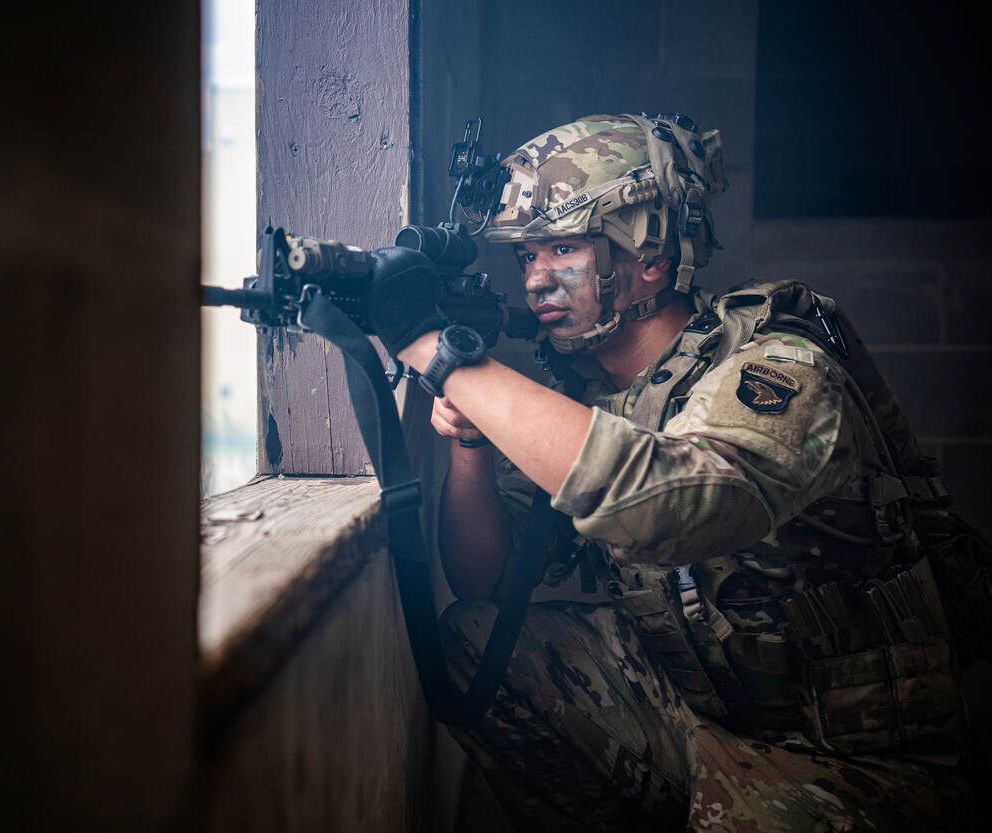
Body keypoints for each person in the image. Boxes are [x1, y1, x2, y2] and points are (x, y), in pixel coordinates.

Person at [367, 114, 987, 831]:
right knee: (476, 646)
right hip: (690, 709)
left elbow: (666, 503)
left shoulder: (778, 366)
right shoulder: (584, 395)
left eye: (563, 248)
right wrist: (471, 440)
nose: (536, 280)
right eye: (528, 256)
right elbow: (485, 580)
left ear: (650, 256)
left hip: (841, 756)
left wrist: (439, 353)